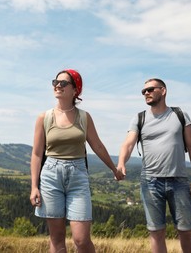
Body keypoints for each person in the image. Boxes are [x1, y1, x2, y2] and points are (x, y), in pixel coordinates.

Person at [30, 69, 125, 253]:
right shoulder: (44, 117)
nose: (58, 85)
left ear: (75, 90)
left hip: (78, 176)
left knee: (81, 240)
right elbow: (36, 154)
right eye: (55, 82)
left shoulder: (84, 117)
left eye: (64, 83)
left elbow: (97, 146)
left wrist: (114, 169)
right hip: (50, 175)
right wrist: (34, 186)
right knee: (57, 241)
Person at [117, 78, 191, 253]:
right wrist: (121, 163)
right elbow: (128, 143)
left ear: (163, 91)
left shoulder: (180, 115)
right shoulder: (139, 118)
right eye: (143, 91)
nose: (146, 93)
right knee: (156, 232)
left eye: (150, 89)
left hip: (179, 180)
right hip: (150, 182)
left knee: (185, 229)